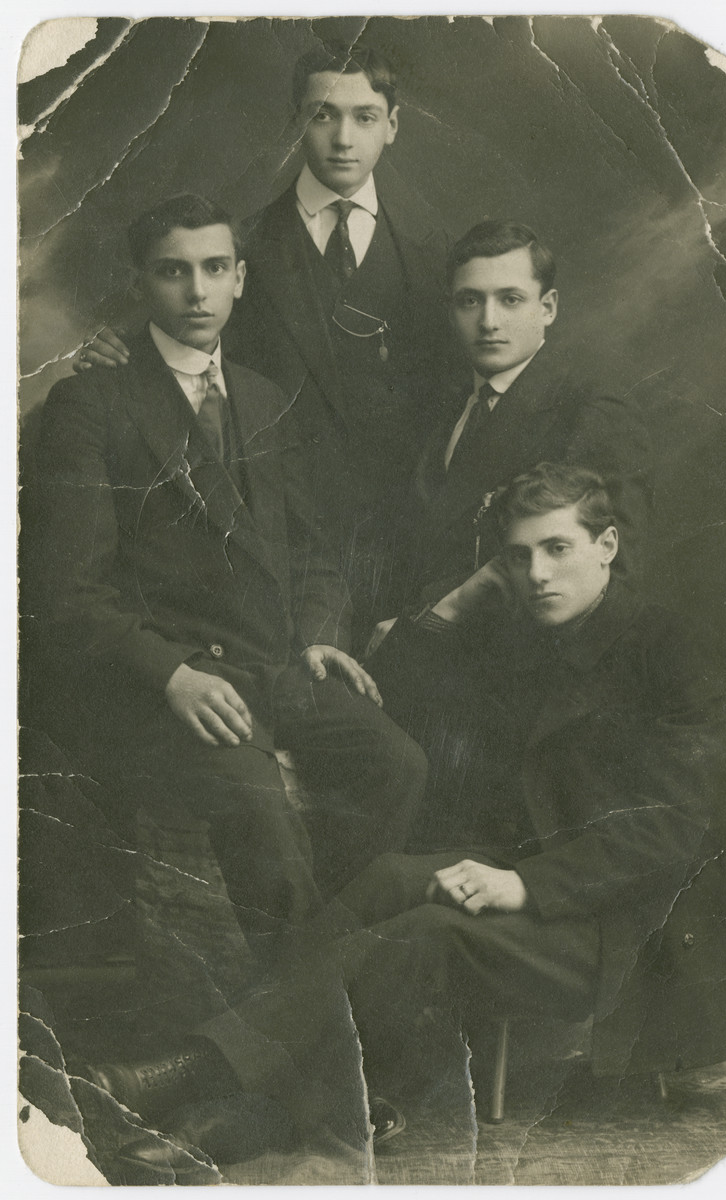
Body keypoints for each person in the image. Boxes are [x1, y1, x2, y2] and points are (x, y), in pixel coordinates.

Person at [79, 464, 726, 1176]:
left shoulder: (667, 650)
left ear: (607, 544)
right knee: (386, 881)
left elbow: (672, 833)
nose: (537, 574)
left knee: (422, 934)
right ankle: (234, 1088)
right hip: (547, 874)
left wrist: (524, 885)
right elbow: (392, 694)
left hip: (634, 927)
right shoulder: (527, 632)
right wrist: (460, 602)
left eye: (558, 549)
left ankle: (207, 1097)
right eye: (517, 556)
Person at [30, 194, 427, 977]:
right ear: (141, 282)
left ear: (242, 279)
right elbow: (64, 594)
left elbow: (311, 555)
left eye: (216, 269)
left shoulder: (261, 397)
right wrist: (170, 675)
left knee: (398, 764)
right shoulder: (91, 403)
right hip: (158, 686)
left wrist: (317, 635)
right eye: (174, 272)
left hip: (273, 668)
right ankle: (308, 1048)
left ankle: (299, 999)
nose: (198, 292)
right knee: (263, 819)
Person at [75, 44, 452, 631]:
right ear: (295, 122)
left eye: (365, 117)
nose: (343, 139)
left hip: (406, 537)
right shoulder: (236, 248)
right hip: (284, 547)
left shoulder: (434, 252)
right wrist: (112, 350)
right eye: (322, 115)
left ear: (393, 125)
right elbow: (174, 327)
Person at [369, 219, 651, 653]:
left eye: (511, 299)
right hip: (419, 653)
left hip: (519, 671)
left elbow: (611, 578)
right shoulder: (443, 402)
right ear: (451, 311)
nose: (488, 321)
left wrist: (428, 621)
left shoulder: (591, 409)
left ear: (548, 307)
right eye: (470, 301)